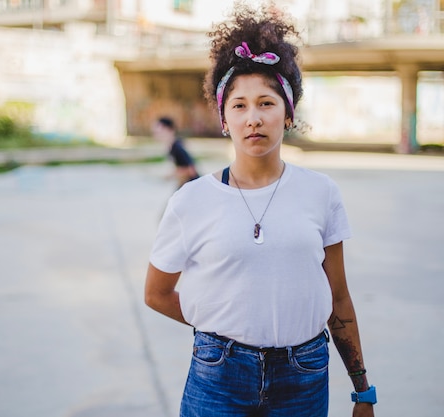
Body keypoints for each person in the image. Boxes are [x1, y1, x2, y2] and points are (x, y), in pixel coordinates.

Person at [145, 3, 376, 417]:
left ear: (288, 114)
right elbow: (156, 293)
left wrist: (363, 391)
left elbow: (339, 298)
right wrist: (220, 330)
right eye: (239, 106)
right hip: (217, 377)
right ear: (223, 119)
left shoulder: (321, 193)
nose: (253, 118)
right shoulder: (191, 201)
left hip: (304, 376)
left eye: (266, 103)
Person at [152, 116, 200, 189]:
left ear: (169, 129)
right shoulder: (172, 147)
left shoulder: (177, 147)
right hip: (187, 186)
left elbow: (191, 170)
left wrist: (171, 175)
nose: (156, 133)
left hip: (193, 186)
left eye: (160, 130)